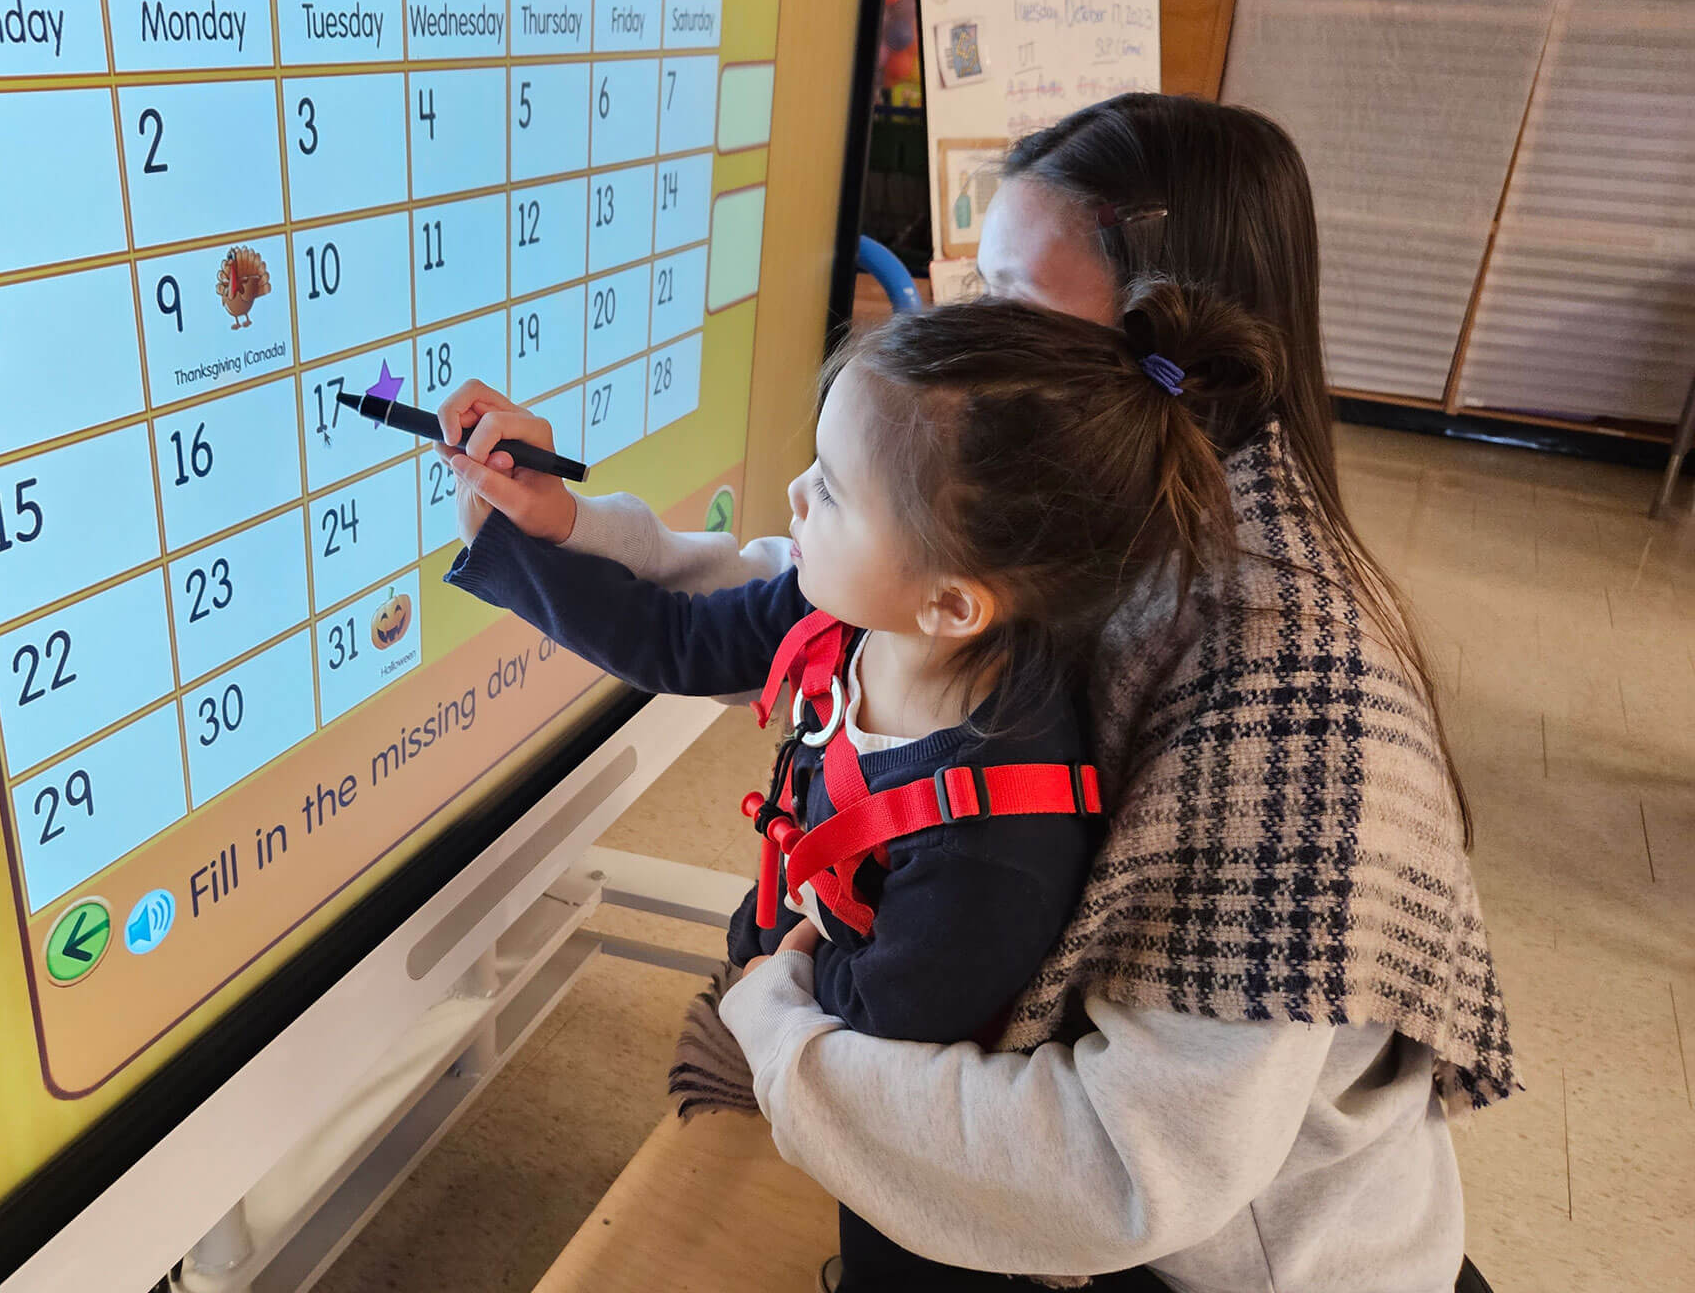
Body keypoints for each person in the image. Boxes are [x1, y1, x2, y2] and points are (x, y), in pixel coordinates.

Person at [441, 94, 1515, 1292]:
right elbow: (810, 604)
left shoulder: (1285, 696)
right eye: (971, 287)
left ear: (1150, 342)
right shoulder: (1080, 513)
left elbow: (1125, 1169)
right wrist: (562, 526)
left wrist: (780, 1027)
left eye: (1010, 300)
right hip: (1047, 1150)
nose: (962, 334)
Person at [446, 282, 1281, 1291]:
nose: (794, 495)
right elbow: (673, 638)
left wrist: (774, 981)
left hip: (914, 1142)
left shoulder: (1000, 838)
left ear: (953, 603)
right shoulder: (851, 615)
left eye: (832, 491)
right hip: (809, 993)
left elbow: (888, 1034)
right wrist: (530, 526)